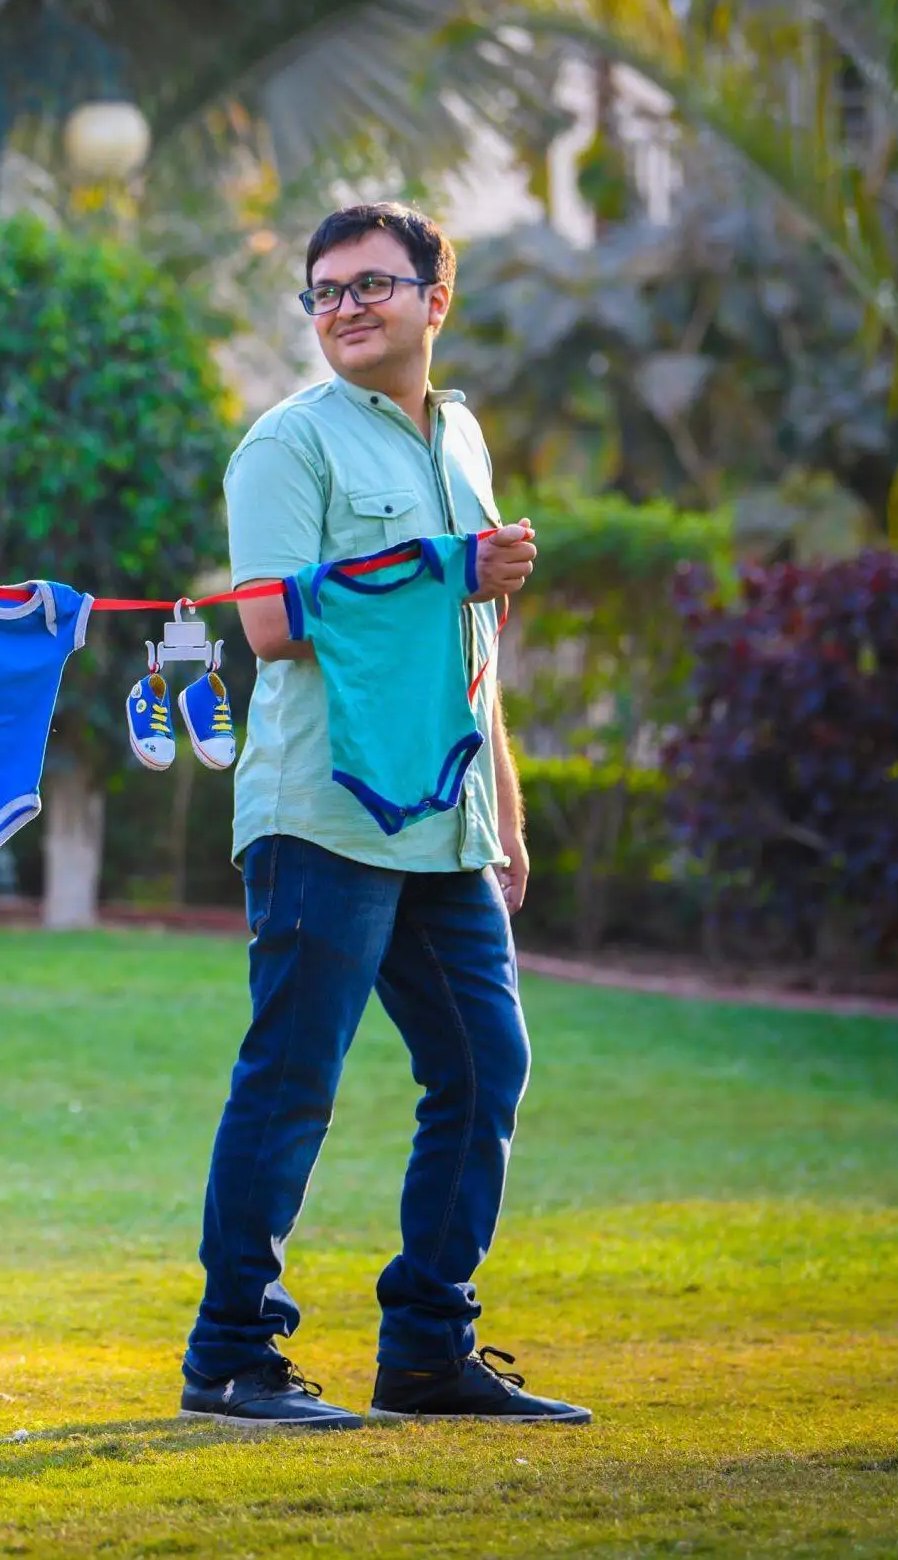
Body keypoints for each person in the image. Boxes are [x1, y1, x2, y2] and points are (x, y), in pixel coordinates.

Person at [177, 203, 589, 1430]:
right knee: (294, 1078)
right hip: (320, 810)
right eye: (324, 291)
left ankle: (425, 1350)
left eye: (372, 284)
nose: (345, 306)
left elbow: (475, 646)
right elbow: (269, 624)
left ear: (433, 300)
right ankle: (232, 1359)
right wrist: (452, 569)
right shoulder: (283, 447)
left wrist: (502, 803)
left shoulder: (460, 436)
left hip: (446, 816)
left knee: (483, 1066)